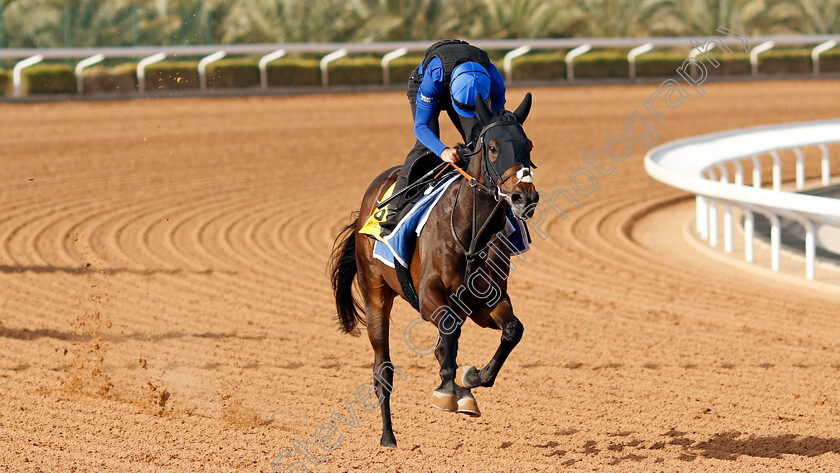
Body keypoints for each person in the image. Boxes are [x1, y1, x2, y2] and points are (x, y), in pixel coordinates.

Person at [379, 40, 507, 235]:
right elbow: (421, 127)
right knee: (425, 146)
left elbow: (496, 126)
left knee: (480, 139)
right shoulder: (433, 79)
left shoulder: (494, 79)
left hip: (459, 84)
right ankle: (394, 210)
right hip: (427, 85)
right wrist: (443, 151)